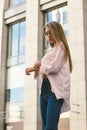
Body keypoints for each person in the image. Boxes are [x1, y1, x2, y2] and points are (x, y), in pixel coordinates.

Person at [25, 21, 73, 130]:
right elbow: (42, 74)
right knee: (47, 126)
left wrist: (34, 68)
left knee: (50, 128)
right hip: (44, 92)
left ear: (57, 32)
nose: (48, 36)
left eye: (51, 32)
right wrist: (37, 68)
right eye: (46, 34)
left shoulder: (61, 46)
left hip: (54, 93)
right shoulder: (50, 51)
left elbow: (53, 67)